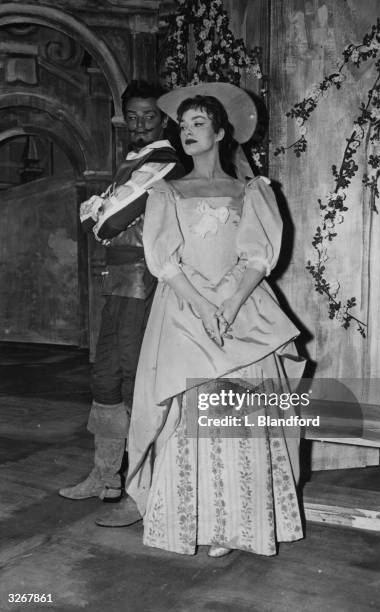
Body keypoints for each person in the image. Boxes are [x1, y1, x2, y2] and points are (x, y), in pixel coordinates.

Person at [126, 82, 305, 557]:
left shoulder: (252, 190)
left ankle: (239, 524)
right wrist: (205, 308)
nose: (187, 132)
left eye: (198, 123)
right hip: (187, 310)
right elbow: (164, 260)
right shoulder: (166, 190)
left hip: (242, 308)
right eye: (183, 125)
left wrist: (230, 304)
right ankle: (197, 519)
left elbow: (257, 257)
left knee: (240, 415)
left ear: (221, 132)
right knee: (194, 415)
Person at [59, 81, 185, 527]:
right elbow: (98, 217)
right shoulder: (135, 160)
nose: (139, 125)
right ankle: (105, 476)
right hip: (118, 278)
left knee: (133, 378)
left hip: (141, 278)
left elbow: (108, 220)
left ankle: (141, 488)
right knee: (104, 374)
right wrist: (102, 213)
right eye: (131, 117)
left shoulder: (166, 158)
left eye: (149, 117)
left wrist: (102, 213)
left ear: (164, 118)